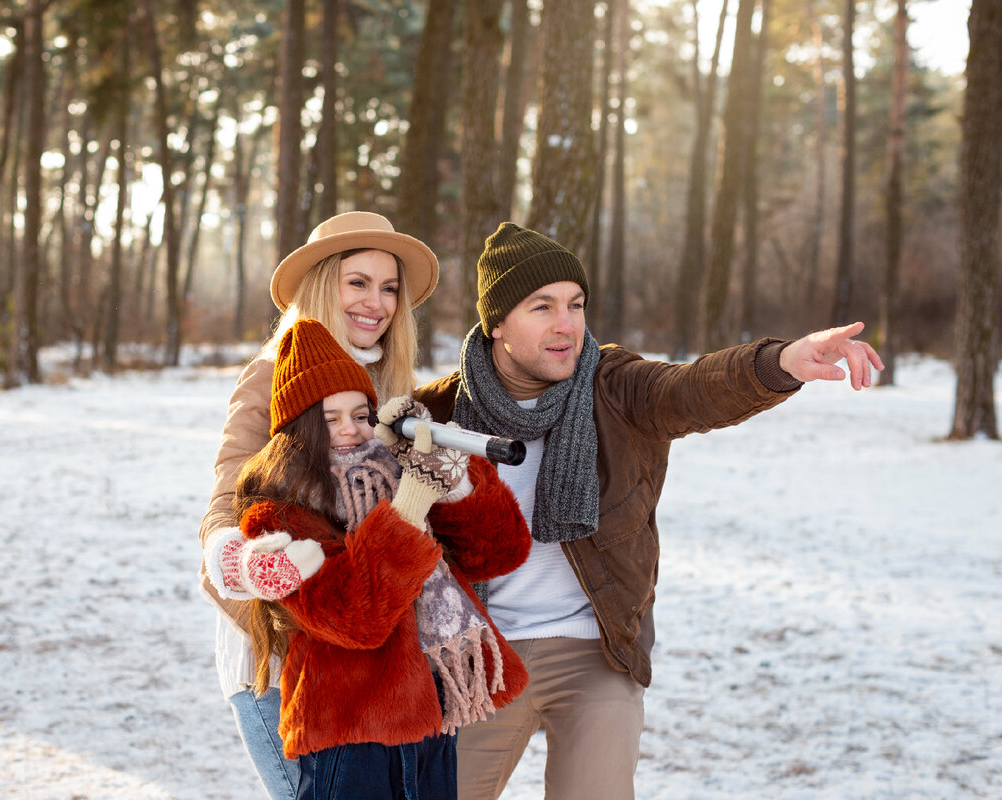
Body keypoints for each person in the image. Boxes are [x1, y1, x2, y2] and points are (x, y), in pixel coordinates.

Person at [412, 221, 886, 800]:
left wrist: (783, 361)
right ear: (497, 323)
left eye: (576, 303)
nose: (567, 324)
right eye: (542, 307)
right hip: (476, 656)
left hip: (591, 648)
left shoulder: (613, 386)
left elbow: (691, 390)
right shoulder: (433, 416)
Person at [204, 318, 531, 799]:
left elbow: (501, 550)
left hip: (432, 716)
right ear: (300, 429)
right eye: (329, 419)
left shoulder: (397, 473)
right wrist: (408, 511)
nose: (350, 431)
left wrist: (455, 480)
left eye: (360, 414)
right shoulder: (278, 510)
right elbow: (354, 616)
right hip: (348, 732)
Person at [197, 211, 440, 799]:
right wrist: (238, 558)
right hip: (280, 655)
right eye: (357, 282)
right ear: (321, 286)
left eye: (388, 288)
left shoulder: (386, 383)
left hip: (362, 652)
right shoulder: (273, 372)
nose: (376, 302)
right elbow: (229, 492)